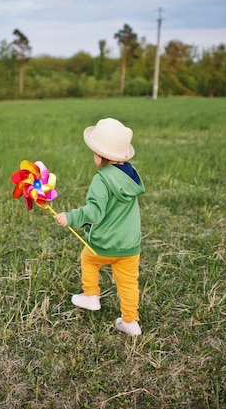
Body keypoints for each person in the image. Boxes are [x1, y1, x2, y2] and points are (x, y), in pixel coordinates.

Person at [53, 118, 145, 336]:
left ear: (101, 155)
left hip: (104, 244)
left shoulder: (102, 180)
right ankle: (131, 322)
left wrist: (70, 217)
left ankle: (91, 295)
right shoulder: (131, 177)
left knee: (88, 259)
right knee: (129, 283)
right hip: (130, 245)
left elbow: (94, 212)